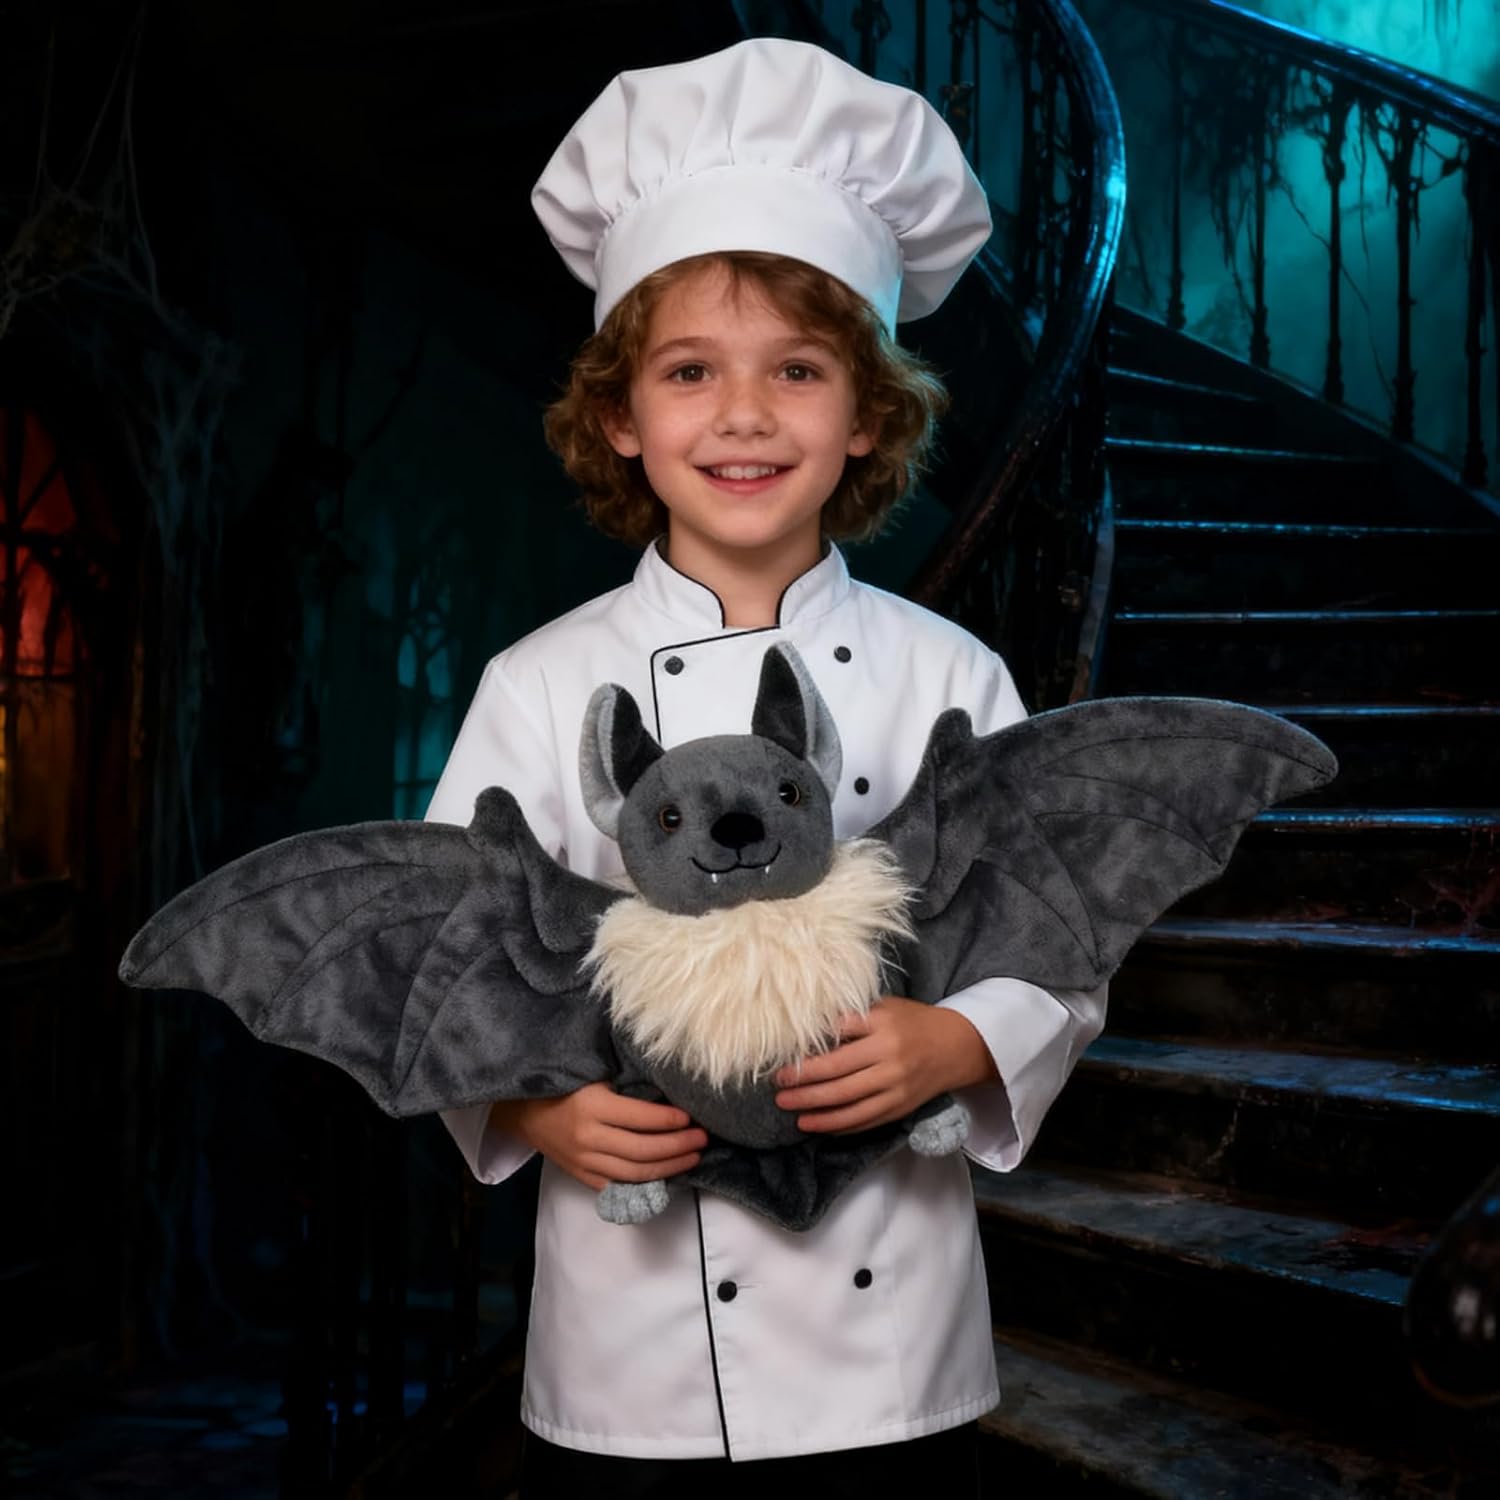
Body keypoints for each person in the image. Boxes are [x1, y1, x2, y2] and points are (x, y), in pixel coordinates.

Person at [427, 37, 1106, 1499]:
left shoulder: (951, 675)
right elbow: (458, 960)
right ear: (622, 416)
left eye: (798, 369)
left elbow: (1054, 938)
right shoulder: (537, 683)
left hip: (891, 1342)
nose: (744, 416)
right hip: (633, 1349)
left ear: (866, 414)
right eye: (691, 372)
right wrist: (539, 1112)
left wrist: (964, 1044)